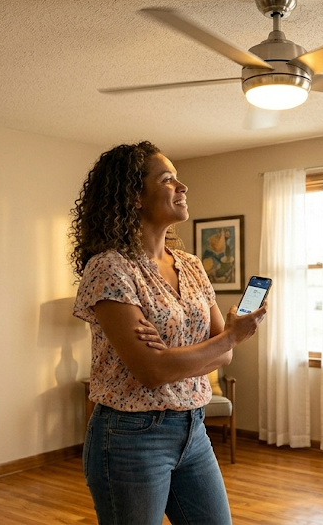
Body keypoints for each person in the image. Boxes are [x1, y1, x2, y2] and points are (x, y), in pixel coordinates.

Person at [70, 141, 265, 525]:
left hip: (194, 428)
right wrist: (222, 340)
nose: (183, 187)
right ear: (134, 196)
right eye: (168, 179)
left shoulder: (191, 265)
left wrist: (186, 353)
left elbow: (222, 357)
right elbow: (152, 372)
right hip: (130, 437)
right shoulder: (110, 268)